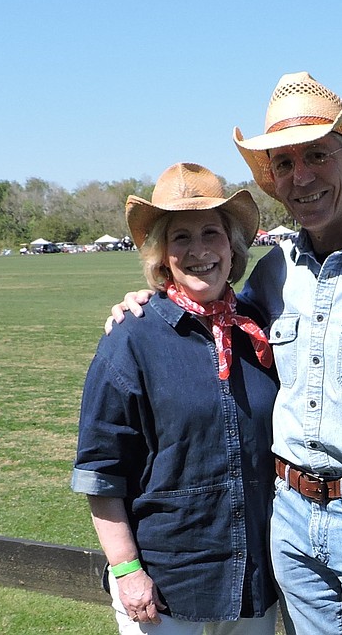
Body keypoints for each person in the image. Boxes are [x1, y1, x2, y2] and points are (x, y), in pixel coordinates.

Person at [112, 72, 342, 635]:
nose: (301, 177)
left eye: (317, 155)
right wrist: (147, 300)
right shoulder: (275, 273)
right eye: (284, 164)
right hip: (287, 521)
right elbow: (211, 311)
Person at [74, 163, 279, 634]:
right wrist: (126, 570)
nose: (199, 250)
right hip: (165, 583)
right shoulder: (132, 336)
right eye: (181, 237)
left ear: (233, 248)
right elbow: (102, 470)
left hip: (255, 574)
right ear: (163, 255)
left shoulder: (261, 328)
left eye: (212, 232)